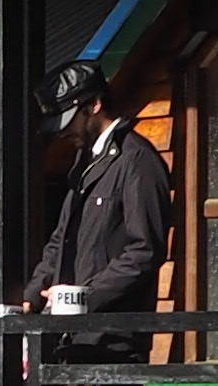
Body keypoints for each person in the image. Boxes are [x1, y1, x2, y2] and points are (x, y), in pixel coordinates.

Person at [14, 58, 174, 319]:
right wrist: (33, 292)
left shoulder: (137, 160)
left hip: (112, 335)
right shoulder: (85, 161)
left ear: (95, 105)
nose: (61, 133)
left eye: (68, 121)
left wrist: (84, 297)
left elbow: (145, 251)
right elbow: (60, 239)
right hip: (71, 331)